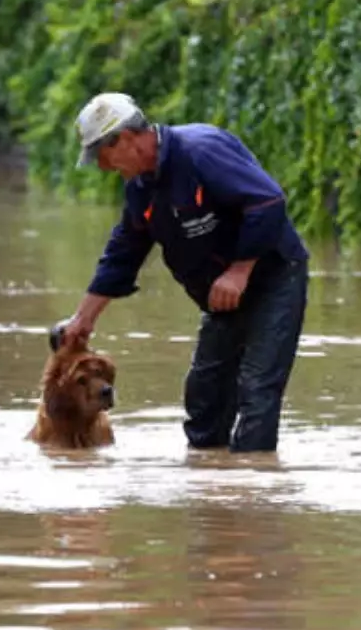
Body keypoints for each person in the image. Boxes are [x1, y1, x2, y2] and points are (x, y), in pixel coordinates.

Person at [58, 92, 309, 453]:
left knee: (257, 389)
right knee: (205, 393)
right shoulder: (141, 188)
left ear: (125, 139)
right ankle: (209, 489)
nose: (102, 167)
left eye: (101, 155)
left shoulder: (200, 151)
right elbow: (124, 252)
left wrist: (239, 271)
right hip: (220, 295)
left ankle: (253, 491)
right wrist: (83, 320)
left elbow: (267, 202)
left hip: (273, 278)